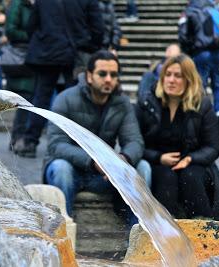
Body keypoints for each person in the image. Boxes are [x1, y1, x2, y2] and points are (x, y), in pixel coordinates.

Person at [44, 50, 151, 221]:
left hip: (105, 174)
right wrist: (95, 161)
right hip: (73, 169)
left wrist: (123, 159)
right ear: (89, 76)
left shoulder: (122, 104)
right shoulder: (65, 99)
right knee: (60, 168)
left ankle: (137, 234)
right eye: (102, 74)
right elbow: (56, 145)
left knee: (143, 167)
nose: (108, 79)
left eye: (113, 74)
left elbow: (134, 141)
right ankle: (63, 231)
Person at [135, 54, 219, 219]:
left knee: (190, 176)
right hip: (159, 163)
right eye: (168, 75)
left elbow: (213, 147)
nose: (171, 80)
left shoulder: (203, 105)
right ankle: (165, 232)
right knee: (166, 177)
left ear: (189, 80)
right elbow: (136, 143)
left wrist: (190, 159)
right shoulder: (147, 103)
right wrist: (158, 157)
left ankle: (203, 228)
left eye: (178, 76)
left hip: (194, 164)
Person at [13, 0, 104, 157]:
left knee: (41, 97)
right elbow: (98, 29)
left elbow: (31, 25)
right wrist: (88, 45)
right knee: (75, 99)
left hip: (47, 51)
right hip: (74, 51)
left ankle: (30, 141)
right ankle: (74, 142)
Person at [178, 0, 219, 134]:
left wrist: (190, 50)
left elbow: (183, 35)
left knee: (199, 86)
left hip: (201, 53)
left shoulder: (190, 12)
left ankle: (199, 118)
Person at [4, 0, 35, 149]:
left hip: (33, 56)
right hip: (20, 57)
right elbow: (11, 30)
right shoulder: (19, 4)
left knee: (30, 98)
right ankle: (17, 138)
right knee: (25, 97)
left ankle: (19, 138)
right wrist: (34, 35)